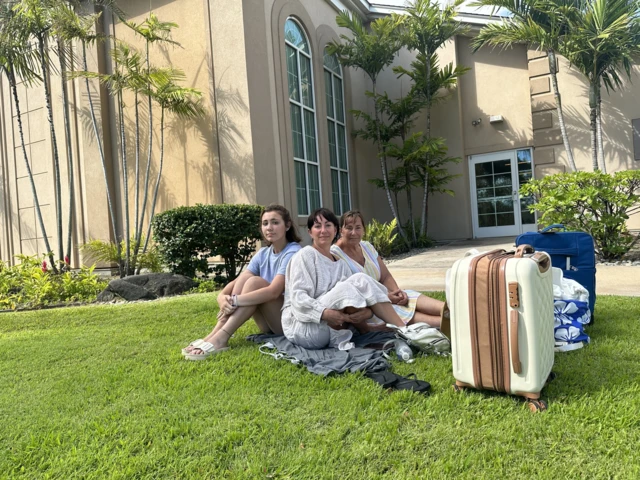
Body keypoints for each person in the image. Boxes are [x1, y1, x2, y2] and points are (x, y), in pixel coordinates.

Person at [183, 204, 302, 360]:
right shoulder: (264, 253)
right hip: (269, 322)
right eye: (265, 223)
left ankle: (222, 336)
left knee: (255, 283)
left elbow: (274, 291)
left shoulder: (294, 252)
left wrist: (235, 300)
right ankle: (215, 333)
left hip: (288, 322)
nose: (269, 227)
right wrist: (222, 297)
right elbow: (239, 280)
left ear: (287, 225)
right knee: (247, 278)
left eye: (275, 222)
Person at [281, 208, 408, 350]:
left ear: (335, 230)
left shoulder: (340, 264)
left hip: (333, 327)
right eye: (317, 226)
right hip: (303, 327)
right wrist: (324, 313)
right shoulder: (305, 255)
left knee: (358, 281)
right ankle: (405, 331)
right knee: (356, 281)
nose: (323, 230)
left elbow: (355, 297)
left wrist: (368, 312)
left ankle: (403, 331)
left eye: (328, 225)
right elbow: (298, 298)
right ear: (310, 232)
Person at [331, 210, 449, 335]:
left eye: (358, 228)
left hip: (388, 297)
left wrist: (396, 293)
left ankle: (456, 311)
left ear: (363, 230)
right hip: (372, 308)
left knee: (414, 298)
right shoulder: (335, 255)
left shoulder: (367, 247)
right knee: (432, 320)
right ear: (340, 230)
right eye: (349, 228)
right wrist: (387, 299)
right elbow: (347, 296)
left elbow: (385, 276)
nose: (354, 232)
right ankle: (456, 324)